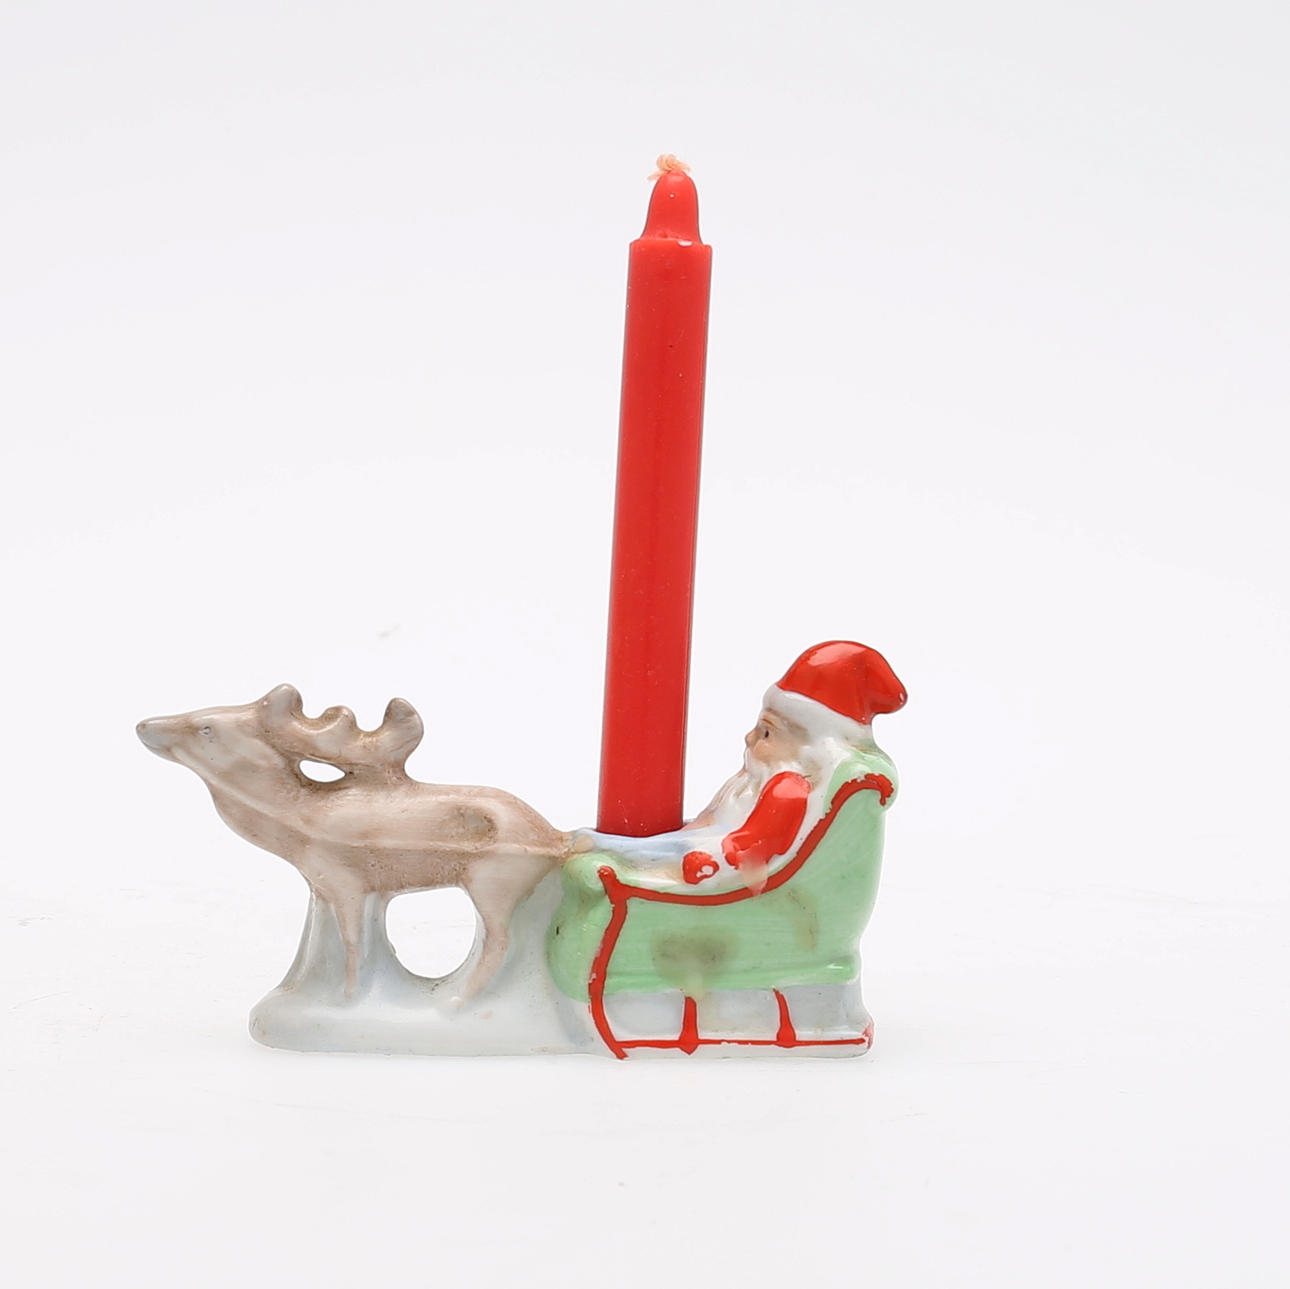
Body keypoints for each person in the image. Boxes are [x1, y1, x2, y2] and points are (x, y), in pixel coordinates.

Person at [572, 640, 905, 890]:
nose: (749, 738)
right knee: (627, 848)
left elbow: (752, 847)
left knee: (622, 852)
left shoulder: (786, 789)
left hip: (714, 864)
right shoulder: (752, 785)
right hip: (701, 848)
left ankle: (595, 845)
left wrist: (704, 856)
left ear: (806, 749)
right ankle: (595, 845)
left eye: (766, 732)